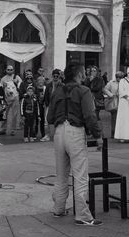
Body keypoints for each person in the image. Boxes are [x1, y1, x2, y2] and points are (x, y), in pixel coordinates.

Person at [47, 63, 102, 226]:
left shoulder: (57, 90)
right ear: (79, 74)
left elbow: (49, 116)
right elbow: (90, 116)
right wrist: (97, 135)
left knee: (61, 175)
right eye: (83, 73)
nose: (85, 75)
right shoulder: (83, 90)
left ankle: (58, 208)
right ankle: (83, 216)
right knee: (80, 175)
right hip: (75, 132)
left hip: (59, 132)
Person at [0, 65, 21, 136]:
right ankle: (3, 128)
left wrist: (17, 83)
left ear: (13, 70)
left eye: (11, 69)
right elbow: (1, 88)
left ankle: (13, 130)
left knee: (15, 114)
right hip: (7, 99)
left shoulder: (17, 77)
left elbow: (21, 85)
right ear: (6, 70)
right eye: (8, 69)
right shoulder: (3, 79)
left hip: (15, 97)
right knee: (4, 114)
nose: (10, 71)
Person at [104, 71, 123, 137]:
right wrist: (111, 95)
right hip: (114, 101)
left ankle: (119, 132)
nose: (119, 79)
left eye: (120, 77)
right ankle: (113, 132)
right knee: (114, 118)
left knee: (121, 118)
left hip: (122, 102)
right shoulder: (111, 82)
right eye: (118, 77)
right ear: (116, 77)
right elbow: (105, 89)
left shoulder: (124, 82)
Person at [114, 72, 129, 142]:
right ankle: (122, 136)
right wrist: (127, 97)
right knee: (123, 119)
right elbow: (121, 91)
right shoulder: (122, 81)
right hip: (124, 102)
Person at [35, 77, 49, 142]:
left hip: (43, 106)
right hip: (36, 105)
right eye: (39, 81)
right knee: (36, 120)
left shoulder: (45, 88)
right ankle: (34, 133)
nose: (40, 82)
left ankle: (43, 134)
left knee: (43, 120)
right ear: (37, 82)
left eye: (42, 81)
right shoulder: (35, 88)